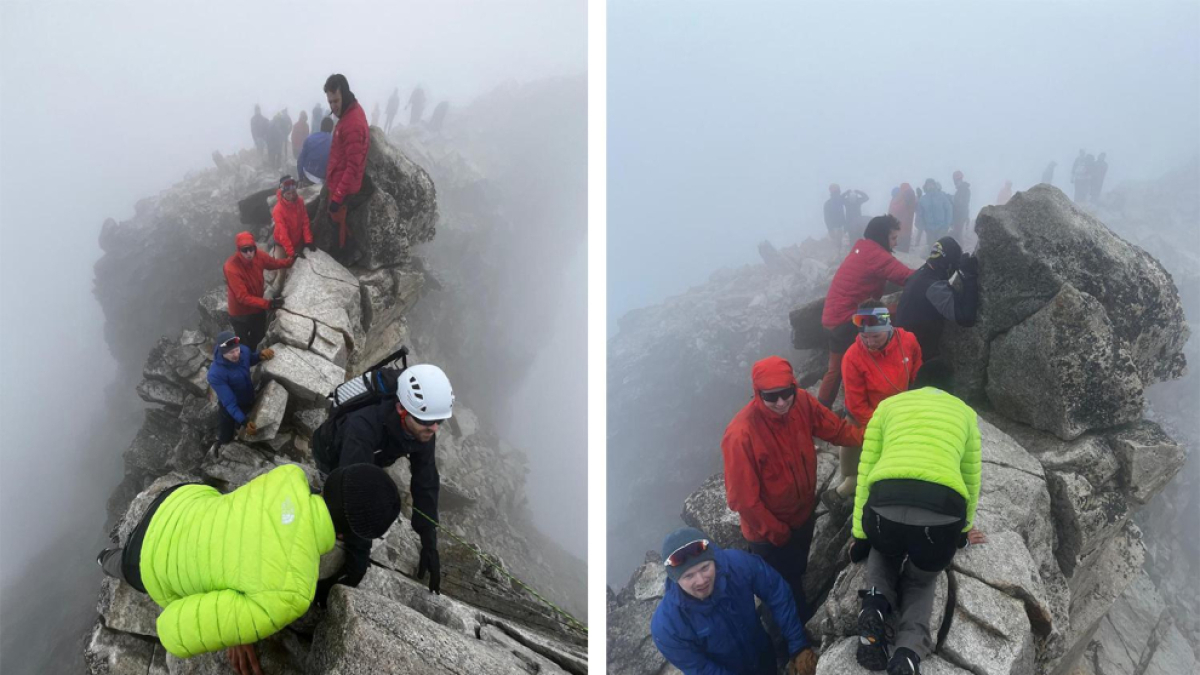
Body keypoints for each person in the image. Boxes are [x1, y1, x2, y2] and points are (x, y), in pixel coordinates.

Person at [98, 463, 401, 673]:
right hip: (147, 558)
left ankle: (109, 556)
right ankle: (104, 559)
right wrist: (236, 628)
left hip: (178, 498)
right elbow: (171, 630)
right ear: (348, 535)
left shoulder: (289, 475)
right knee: (123, 566)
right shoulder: (293, 592)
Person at [848, 359, 986, 675]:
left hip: (886, 505)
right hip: (940, 516)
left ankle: (875, 605)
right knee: (922, 579)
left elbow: (866, 468)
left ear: (915, 384)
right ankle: (907, 654)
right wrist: (962, 533)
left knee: (883, 551)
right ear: (952, 391)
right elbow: (970, 479)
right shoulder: (965, 414)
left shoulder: (888, 406)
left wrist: (860, 535)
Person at [722, 356, 864, 621]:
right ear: (757, 393)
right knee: (781, 588)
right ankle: (792, 641)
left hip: (802, 516)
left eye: (786, 393)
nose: (781, 403)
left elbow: (835, 430)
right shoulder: (740, 435)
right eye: (771, 397)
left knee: (796, 572)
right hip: (769, 533)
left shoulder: (802, 402)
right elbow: (742, 499)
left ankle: (798, 620)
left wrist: (872, 436)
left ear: (793, 386)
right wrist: (778, 533)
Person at [312, 364, 454, 595]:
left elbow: (425, 480)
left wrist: (429, 538)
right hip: (332, 454)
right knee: (335, 517)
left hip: (372, 454)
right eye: (427, 421)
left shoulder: (423, 427)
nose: (434, 429)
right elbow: (353, 493)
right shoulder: (363, 427)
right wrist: (358, 558)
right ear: (401, 409)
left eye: (440, 421)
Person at [651, 527, 820, 675]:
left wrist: (798, 645)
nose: (701, 580)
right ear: (675, 579)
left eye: (705, 568)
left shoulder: (736, 565)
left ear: (714, 561)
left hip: (765, 656)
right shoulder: (667, 626)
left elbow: (776, 591)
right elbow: (701, 669)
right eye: (689, 576)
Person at [817, 215, 914, 409]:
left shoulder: (863, 248)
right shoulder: (876, 255)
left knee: (834, 369)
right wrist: (933, 273)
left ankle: (819, 409)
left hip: (834, 316)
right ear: (882, 236)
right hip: (847, 318)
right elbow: (907, 277)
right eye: (893, 238)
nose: (896, 242)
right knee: (901, 313)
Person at [893, 237, 979, 360]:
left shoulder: (920, 274)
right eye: (953, 267)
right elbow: (966, 318)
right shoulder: (933, 286)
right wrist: (969, 277)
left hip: (903, 346)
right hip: (915, 355)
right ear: (948, 264)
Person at [323, 73, 373, 248]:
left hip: (343, 190)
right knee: (332, 222)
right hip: (336, 184)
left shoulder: (352, 124)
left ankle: (340, 260)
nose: (333, 106)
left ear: (344, 94)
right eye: (330, 102)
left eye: (336, 101)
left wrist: (337, 197)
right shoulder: (349, 113)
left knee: (338, 229)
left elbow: (353, 166)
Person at [223, 232, 293, 351]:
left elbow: (273, 263)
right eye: (245, 250)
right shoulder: (231, 267)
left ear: (255, 247)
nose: (249, 253)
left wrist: (289, 261)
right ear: (239, 250)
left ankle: (255, 358)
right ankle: (246, 362)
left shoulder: (258, 256)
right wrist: (268, 304)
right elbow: (242, 297)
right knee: (243, 341)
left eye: (251, 249)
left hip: (257, 307)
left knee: (259, 335)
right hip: (240, 313)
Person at [206, 330, 274, 445]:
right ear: (223, 353)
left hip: (247, 396)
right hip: (230, 405)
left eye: (237, 350)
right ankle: (223, 443)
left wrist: (259, 356)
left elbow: (249, 359)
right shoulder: (215, 374)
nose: (236, 354)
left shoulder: (243, 350)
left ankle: (237, 425)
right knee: (226, 427)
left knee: (245, 414)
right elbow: (229, 402)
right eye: (231, 352)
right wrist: (244, 421)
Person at [272, 175, 315, 258]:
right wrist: (291, 252)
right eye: (288, 193)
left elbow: (305, 221)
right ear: (282, 193)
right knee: (281, 267)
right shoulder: (278, 210)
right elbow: (282, 233)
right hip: (281, 243)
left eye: (294, 192)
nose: (292, 196)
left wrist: (308, 240)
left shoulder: (300, 201)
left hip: (296, 239)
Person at [915, 179, 952, 248]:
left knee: (942, 247)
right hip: (929, 229)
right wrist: (923, 226)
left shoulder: (942, 197)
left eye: (932, 184)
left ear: (935, 185)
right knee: (931, 247)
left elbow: (949, 210)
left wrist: (946, 225)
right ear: (925, 187)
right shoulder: (923, 199)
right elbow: (920, 214)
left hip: (941, 227)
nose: (930, 186)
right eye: (928, 185)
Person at [297, 116, 334, 185]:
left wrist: (300, 178)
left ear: (321, 127)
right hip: (324, 181)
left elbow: (300, 160)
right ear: (332, 129)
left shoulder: (310, 138)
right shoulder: (334, 142)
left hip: (308, 175)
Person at [888, 182, 918, 253]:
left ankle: (902, 248)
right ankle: (902, 248)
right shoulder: (899, 199)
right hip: (902, 223)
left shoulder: (901, 199)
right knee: (902, 235)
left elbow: (896, 209)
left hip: (901, 222)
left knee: (902, 236)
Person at [823, 184, 847, 251]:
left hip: (835, 227)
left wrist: (830, 229)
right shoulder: (839, 201)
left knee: (837, 247)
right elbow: (826, 218)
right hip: (839, 227)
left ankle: (839, 258)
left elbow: (826, 218)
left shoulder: (828, 203)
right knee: (840, 246)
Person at [950, 171, 971, 242]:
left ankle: (960, 251)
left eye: (957, 180)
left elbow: (962, 204)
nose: (956, 182)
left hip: (960, 217)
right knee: (958, 236)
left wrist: (953, 202)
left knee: (958, 236)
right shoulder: (961, 190)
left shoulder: (964, 190)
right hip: (959, 216)